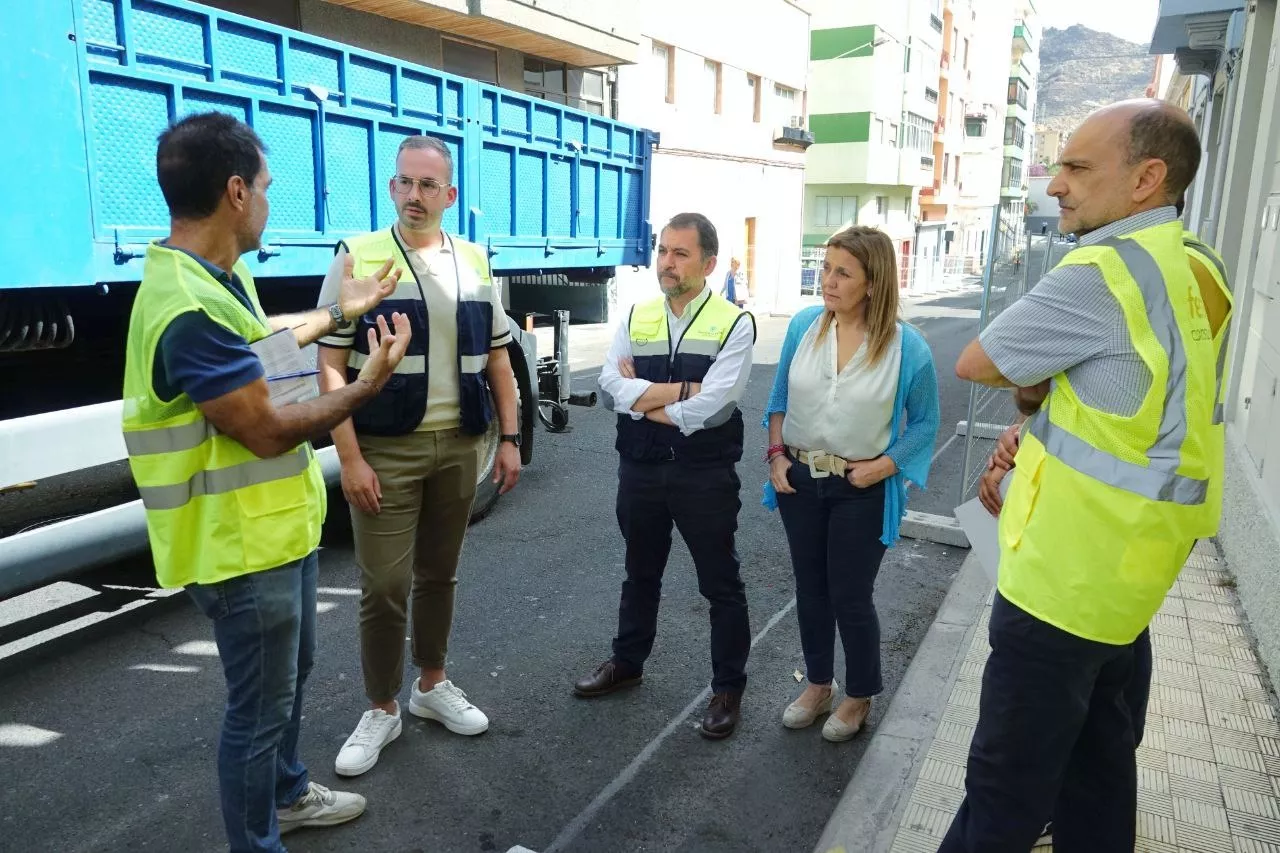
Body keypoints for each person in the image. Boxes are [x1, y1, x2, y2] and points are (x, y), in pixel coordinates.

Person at [940, 98, 1234, 853]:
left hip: (1061, 584)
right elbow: (1129, 389)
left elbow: (981, 363)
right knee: (1100, 770)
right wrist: (1038, 417)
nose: (1056, 185)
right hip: (1130, 575)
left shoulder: (1102, 269)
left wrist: (1032, 398)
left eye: (1076, 166)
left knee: (1003, 790)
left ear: (1147, 178)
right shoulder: (1198, 265)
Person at [122, 112, 413, 853]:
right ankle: (260, 841)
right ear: (235, 192)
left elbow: (259, 343)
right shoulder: (186, 309)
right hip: (239, 550)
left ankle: (288, 792)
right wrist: (366, 384)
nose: (270, 200)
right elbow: (266, 427)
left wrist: (338, 313)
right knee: (256, 710)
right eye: (267, 186)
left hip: (275, 532)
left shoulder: (212, 277)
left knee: (289, 678)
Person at [316, 135, 523, 777]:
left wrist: (509, 440)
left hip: (459, 445)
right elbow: (328, 364)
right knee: (383, 586)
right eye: (403, 182)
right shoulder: (361, 255)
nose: (413, 195)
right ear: (391, 188)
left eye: (427, 185)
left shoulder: (474, 260)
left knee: (440, 575)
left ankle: (431, 686)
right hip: (385, 448)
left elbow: (497, 359)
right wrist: (349, 458)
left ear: (450, 195)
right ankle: (381, 706)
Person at [579, 212, 756, 739]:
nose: (668, 263)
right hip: (641, 469)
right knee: (640, 574)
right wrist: (682, 392)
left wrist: (648, 402)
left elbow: (717, 402)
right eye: (663, 251)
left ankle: (728, 687)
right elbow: (610, 387)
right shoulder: (637, 316)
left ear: (708, 262)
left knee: (721, 584)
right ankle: (626, 664)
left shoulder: (733, 322)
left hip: (703, 475)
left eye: (681, 254)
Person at [761, 226, 940, 742]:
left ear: (873, 282)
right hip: (800, 481)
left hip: (860, 488)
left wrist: (884, 467)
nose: (828, 281)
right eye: (826, 268)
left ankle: (859, 696)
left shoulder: (908, 347)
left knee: (850, 595)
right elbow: (778, 398)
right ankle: (819, 685)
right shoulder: (803, 327)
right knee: (811, 590)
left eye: (843, 272)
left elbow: (926, 422)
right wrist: (776, 457)